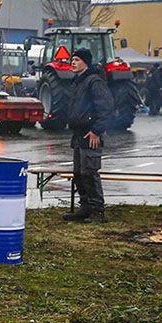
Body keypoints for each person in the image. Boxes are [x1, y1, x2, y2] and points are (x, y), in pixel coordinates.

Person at [63, 47, 114, 224]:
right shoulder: (78, 82)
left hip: (91, 134)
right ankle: (85, 207)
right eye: (72, 59)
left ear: (86, 62)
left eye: (77, 59)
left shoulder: (94, 81)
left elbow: (106, 107)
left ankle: (97, 210)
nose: (73, 63)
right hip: (78, 134)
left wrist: (97, 130)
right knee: (78, 173)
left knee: (89, 172)